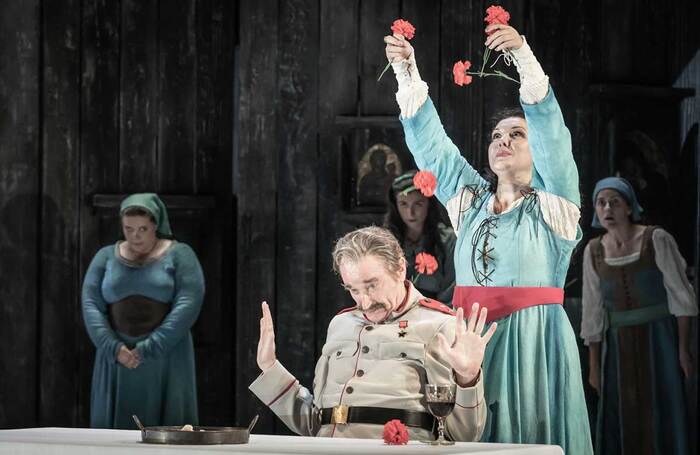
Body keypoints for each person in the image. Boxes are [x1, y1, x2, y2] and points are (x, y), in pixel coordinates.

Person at [384, 22, 593, 453]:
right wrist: (408, 73)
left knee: (525, 433)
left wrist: (522, 57)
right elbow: (435, 151)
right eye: (498, 135)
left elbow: (554, 140)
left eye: (518, 135)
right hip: (468, 338)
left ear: (536, 152)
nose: (504, 141)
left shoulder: (554, 208)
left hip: (530, 342)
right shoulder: (470, 204)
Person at [250, 226, 496, 441]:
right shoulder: (340, 324)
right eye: (353, 290)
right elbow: (315, 424)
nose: (365, 302)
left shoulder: (439, 325)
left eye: (372, 285)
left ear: (400, 269)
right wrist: (271, 368)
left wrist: (468, 378)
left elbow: (465, 435)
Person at [581, 177, 697, 454]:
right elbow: (593, 314)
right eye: (601, 203)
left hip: (660, 341)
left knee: (663, 409)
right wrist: (595, 367)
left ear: (629, 207)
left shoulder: (656, 239)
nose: (607, 208)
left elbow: (682, 298)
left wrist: (682, 350)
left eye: (614, 202)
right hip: (617, 346)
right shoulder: (594, 251)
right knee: (624, 412)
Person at [82, 193, 205, 429]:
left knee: (168, 428)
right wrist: (113, 347)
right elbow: (90, 303)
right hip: (117, 355)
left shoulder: (180, 255)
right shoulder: (106, 256)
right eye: (128, 229)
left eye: (142, 229)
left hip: (166, 355)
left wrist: (151, 347)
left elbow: (188, 302)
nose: (135, 236)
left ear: (155, 226)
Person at [385, 170, 456, 304]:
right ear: (395, 205)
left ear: (429, 203)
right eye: (403, 204)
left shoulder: (448, 240)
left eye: (418, 204)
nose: (410, 212)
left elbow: (450, 292)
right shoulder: (385, 241)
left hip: (435, 315)